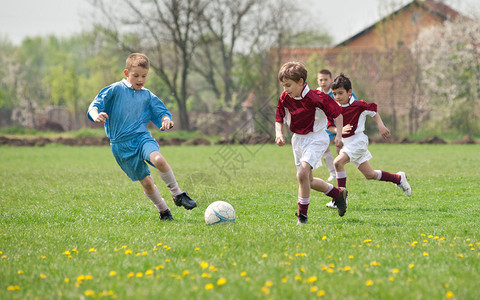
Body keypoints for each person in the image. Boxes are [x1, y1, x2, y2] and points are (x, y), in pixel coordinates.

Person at [87, 53, 197, 222]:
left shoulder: (147, 95)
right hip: (121, 147)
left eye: (144, 76)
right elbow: (94, 105)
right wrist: (95, 115)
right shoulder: (115, 90)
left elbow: (162, 112)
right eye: (136, 75)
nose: (140, 79)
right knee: (146, 182)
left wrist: (166, 120)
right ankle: (164, 211)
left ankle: (178, 194)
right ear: (126, 73)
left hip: (141, 138)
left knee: (159, 160)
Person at [275, 62, 348, 224]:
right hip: (298, 140)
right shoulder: (285, 97)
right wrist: (279, 133)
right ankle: (337, 194)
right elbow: (279, 116)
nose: (285, 89)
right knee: (308, 180)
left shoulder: (317, 97)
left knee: (301, 174)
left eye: (288, 85)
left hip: (316, 138)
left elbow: (338, 114)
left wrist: (339, 136)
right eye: (283, 86)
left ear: (301, 82)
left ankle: (302, 217)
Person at [328, 73, 411, 203]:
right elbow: (329, 126)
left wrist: (381, 125)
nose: (337, 97)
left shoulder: (358, 105)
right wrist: (339, 132)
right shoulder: (333, 108)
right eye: (334, 94)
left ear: (349, 92)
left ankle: (339, 198)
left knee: (338, 163)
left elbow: (373, 111)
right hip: (347, 143)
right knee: (370, 175)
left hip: (357, 141)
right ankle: (398, 178)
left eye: (340, 93)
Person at [317, 69, 357, 209]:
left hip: (344, 126)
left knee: (340, 152)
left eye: (325, 79)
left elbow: (356, 105)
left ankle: (339, 176)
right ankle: (334, 173)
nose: (323, 82)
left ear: (330, 79)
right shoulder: (317, 93)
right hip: (329, 125)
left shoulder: (339, 89)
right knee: (326, 148)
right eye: (320, 79)